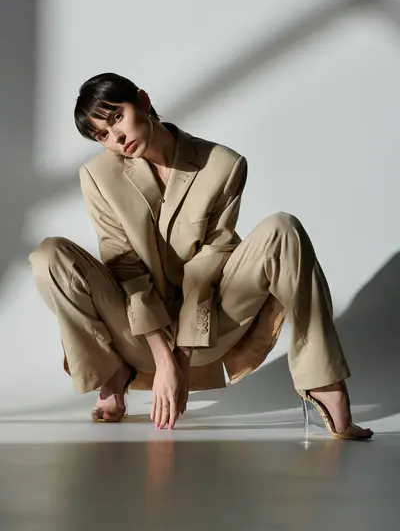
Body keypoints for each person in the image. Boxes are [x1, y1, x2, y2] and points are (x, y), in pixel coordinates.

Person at [29, 72, 373, 440]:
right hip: (137, 334)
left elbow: (209, 263)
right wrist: (163, 358)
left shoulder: (223, 164)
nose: (117, 138)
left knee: (283, 228)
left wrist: (179, 361)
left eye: (117, 118)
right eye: (103, 135)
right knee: (48, 256)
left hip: (208, 329)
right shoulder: (97, 176)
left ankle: (323, 383)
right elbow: (125, 267)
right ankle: (113, 373)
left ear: (143, 101)